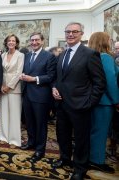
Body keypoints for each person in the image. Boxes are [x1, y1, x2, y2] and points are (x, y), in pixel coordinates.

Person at [52, 22, 106, 180]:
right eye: (68, 31)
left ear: (81, 34)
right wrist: (54, 88)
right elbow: (58, 78)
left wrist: (89, 103)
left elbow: (100, 83)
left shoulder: (90, 54)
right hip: (61, 104)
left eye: (74, 32)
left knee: (81, 139)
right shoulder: (62, 54)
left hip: (81, 105)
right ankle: (64, 158)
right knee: (63, 135)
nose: (70, 34)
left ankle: (80, 167)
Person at [20, 32, 56, 162]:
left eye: (36, 40)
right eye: (32, 40)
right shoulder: (27, 55)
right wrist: (23, 75)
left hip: (41, 96)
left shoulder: (49, 56)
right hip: (27, 95)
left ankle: (40, 150)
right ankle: (31, 143)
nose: (34, 42)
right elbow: (26, 71)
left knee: (40, 124)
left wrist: (34, 79)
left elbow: (51, 76)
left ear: (42, 41)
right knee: (29, 122)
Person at [87, 32, 119, 173]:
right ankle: (96, 161)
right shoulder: (105, 57)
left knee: (92, 130)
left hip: (92, 100)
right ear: (103, 41)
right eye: (108, 39)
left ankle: (90, 156)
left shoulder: (89, 56)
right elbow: (110, 82)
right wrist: (117, 100)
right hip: (104, 101)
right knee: (100, 132)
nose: (110, 41)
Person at [0, 34, 24, 147]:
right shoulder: (3, 55)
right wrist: (1, 86)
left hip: (14, 88)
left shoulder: (20, 55)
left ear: (16, 43)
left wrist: (9, 86)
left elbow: (19, 73)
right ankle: (3, 136)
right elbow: (0, 71)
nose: (11, 42)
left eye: (13, 41)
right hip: (2, 88)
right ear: (6, 42)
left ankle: (14, 139)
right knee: (3, 113)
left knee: (14, 114)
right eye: (9, 40)